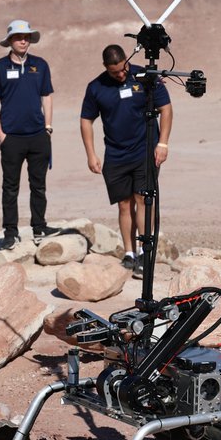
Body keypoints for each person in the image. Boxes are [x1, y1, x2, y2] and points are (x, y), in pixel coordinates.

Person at [79, 44, 173, 276]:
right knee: (124, 205)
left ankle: (145, 252)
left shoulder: (145, 77)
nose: (121, 75)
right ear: (106, 68)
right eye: (115, 72)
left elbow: (166, 109)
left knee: (143, 199)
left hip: (146, 151)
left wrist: (163, 143)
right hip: (116, 154)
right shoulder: (96, 87)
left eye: (123, 69)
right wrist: (91, 154)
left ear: (127, 61)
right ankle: (130, 253)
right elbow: (86, 120)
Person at [0, 19, 60, 250]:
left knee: (38, 185)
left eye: (26, 37)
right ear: (10, 40)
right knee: (10, 187)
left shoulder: (40, 65)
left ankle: (39, 227)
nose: (23, 40)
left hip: (38, 135)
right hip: (11, 138)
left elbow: (46, 96)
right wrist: (1, 134)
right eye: (19, 37)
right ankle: (10, 232)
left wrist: (48, 127)